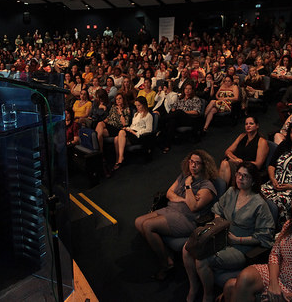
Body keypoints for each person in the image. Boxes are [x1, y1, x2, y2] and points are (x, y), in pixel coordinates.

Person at [182, 163, 275, 302]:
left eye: (245, 176)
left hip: (240, 247)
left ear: (253, 181)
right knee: (187, 248)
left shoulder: (259, 204)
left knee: (202, 260)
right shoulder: (232, 192)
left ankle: (207, 295)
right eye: (238, 174)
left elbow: (265, 236)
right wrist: (220, 224)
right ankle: (194, 286)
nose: (240, 178)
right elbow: (217, 208)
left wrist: (238, 239)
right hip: (221, 237)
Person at [135, 150, 218, 281]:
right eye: (191, 162)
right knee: (138, 221)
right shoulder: (184, 175)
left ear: (204, 165)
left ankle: (166, 264)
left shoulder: (207, 186)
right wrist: (183, 199)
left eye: (197, 163)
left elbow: (193, 207)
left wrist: (188, 186)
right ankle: (167, 255)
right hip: (171, 210)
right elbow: (169, 193)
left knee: (147, 225)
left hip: (187, 219)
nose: (193, 165)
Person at [219, 116, 270, 186]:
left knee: (225, 164)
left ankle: (224, 191)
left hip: (249, 169)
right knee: (224, 163)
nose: (248, 126)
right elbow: (228, 151)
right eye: (246, 124)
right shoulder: (242, 136)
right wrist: (236, 159)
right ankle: (224, 190)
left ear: (257, 126)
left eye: (251, 124)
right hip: (237, 164)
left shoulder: (262, 142)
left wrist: (242, 163)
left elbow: (258, 164)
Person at [113, 96, 153, 170]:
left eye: (139, 105)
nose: (137, 107)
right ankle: (118, 159)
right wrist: (128, 129)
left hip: (138, 136)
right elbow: (132, 126)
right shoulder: (136, 114)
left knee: (121, 132)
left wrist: (135, 133)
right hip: (131, 132)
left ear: (143, 105)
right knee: (116, 139)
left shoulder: (148, 116)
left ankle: (121, 159)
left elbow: (149, 130)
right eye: (136, 105)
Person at [161, 83, 203, 154]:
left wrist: (184, 112)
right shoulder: (180, 98)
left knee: (179, 112)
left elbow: (196, 112)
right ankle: (167, 144)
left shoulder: (196, 99)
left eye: (189, 89)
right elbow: (173, 108)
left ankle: (161, 120)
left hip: (189, 119)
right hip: (178, 118)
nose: (187, 90)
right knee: (172, 121)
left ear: (192, 90)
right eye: (186, 89)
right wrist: (175, 111)